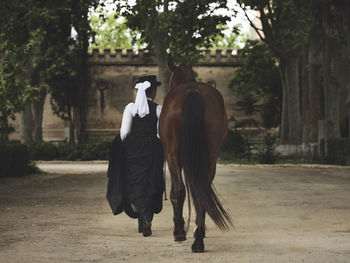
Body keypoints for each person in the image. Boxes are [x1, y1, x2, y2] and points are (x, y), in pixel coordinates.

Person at [107, 75, 164, 237]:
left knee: (135, 181)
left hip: (133, 149)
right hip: (152, 147)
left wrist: (130, 146)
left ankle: (143, 218)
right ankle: (147, 218)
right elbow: (160, 134)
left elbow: (124, 132)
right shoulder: (159, 109)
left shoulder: (130, 108)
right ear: (153, 92)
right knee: (151, 181)